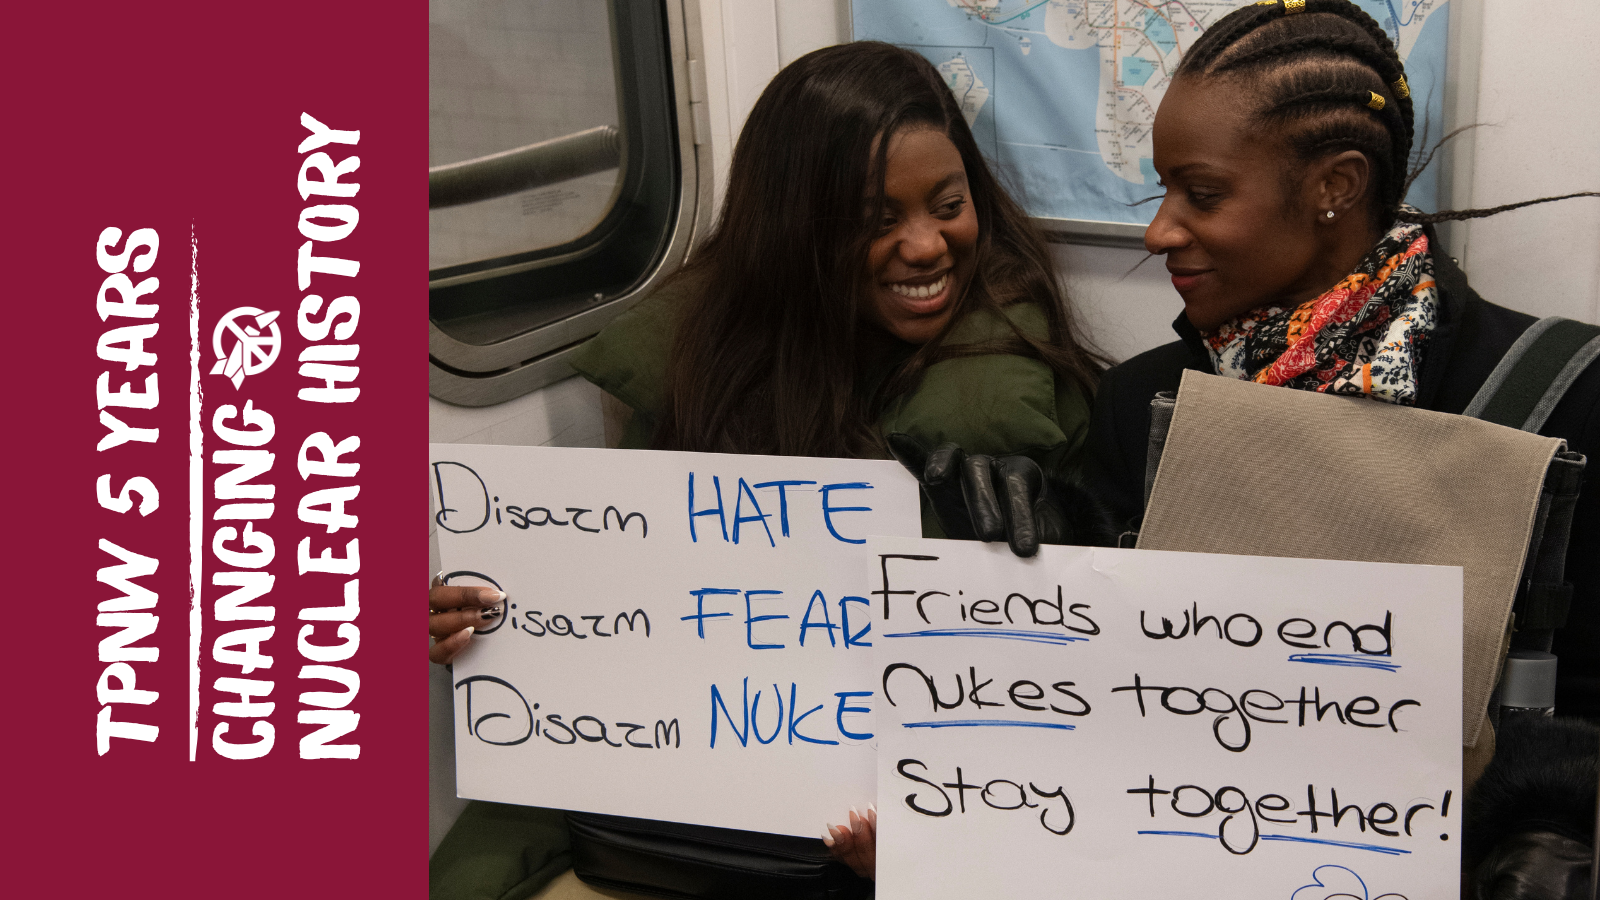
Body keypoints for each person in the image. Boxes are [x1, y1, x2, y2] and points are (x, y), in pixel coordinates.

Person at [893, 0, 1599, 892]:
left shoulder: (1562, 395)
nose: (1159, 231)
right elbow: (1104, 705)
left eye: (1202, 194)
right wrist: (1044, 560)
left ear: (1335, 185)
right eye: (1161, 191)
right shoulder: (1142, 403)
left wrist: (1553, 819)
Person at [429, 40, 1107, 894]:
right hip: (678, 798)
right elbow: (620, 612)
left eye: (948, 205)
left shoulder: (1031, 397)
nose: (927, 246)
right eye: (877, 221)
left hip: (922, 813)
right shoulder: (695, 376)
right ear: (797, 231)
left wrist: (1069, 543)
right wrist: (489, 625)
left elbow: (1088, 702)